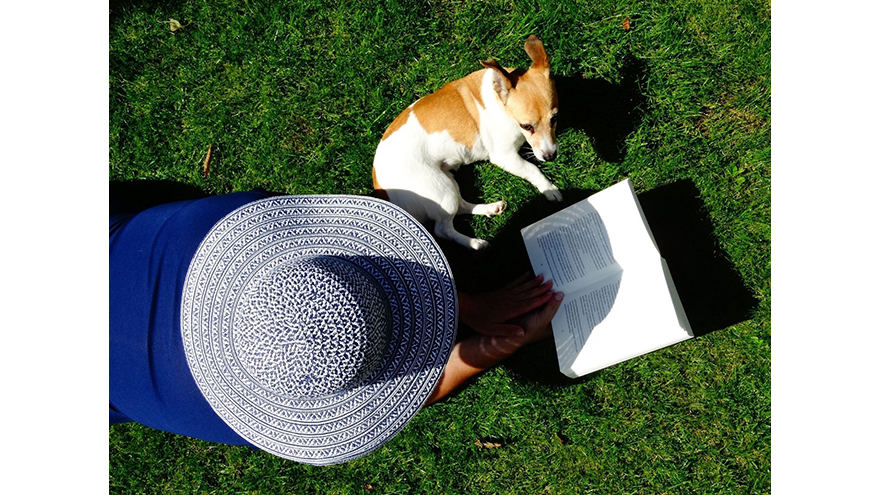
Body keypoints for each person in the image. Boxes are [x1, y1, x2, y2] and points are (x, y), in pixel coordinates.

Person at [110, 184, 562, 465]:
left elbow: (404, 389)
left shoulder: (223, 220)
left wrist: (463, 306)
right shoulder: (231, 219)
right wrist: (497, 343)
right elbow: (412, 392)